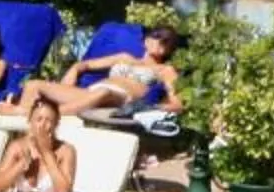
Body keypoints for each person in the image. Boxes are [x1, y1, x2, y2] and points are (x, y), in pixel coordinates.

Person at [11, 24, 181, 120]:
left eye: (165, 42)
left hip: (118, 98)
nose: (157, 43)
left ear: (169, 49)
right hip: (90, 93)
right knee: (34, 85)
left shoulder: (165, 70)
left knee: (103, 91)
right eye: (155, 36)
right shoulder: (124, 57)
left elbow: (177, 103)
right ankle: (22, 123)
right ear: (145, 39)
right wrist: (74, 71)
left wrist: (148, 107)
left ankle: (39, 115)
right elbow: (84, 65)